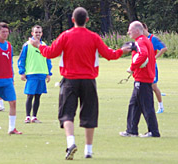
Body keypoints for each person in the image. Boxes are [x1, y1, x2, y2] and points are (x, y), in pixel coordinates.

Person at [29, 7, 130, 160]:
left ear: (73, 20)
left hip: (70, 80)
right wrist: (123, 50)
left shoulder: (66, 36)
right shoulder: (94, 37)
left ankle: (71, 143)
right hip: (89, 80)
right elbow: (109, 55)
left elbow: (50, 53)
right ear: (87, 20)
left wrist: (39, 45)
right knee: (89, 114)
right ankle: (88, 151)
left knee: (67, 114)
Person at [119, 21, 160, 138]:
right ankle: (131, 130)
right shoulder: (144, 40)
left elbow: (143, 55)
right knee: (134, 105)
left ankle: (153, 132)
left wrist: (132, 67)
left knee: (147, 106)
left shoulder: (141, 41)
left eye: (130, 30)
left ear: (137, 31)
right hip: (142, 78)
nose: (128, 32)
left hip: (143, 78)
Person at [18, 25, 52, 123]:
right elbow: (22, 59)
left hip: (41, 73)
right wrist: (22, 72)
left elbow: (48, 59)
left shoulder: (44, 45)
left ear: (42, 33)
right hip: (31, 73)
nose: (38, 34)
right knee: (30, 95)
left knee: (38, 96)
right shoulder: (27, 45)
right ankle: (27, 116)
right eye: (36, 32)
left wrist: (48, 73)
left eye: (39, 32)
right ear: (32, 33)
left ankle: (34, 116)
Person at [141, 23, 167, 114]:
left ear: (146, 29)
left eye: (142, 30)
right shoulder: (140, 40)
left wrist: (155, 57)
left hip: (152, 67)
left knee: (154, 87)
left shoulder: (153, 39)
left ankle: (161, 106)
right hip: (143, 67)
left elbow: (164, 48)